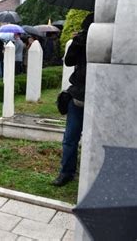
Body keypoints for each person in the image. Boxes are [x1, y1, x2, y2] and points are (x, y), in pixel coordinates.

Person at [52, 13, 93, 187]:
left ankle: (93, 173)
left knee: (96, 140)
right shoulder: (81, 41)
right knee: (70, 138)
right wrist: (78, 42)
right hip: (78, 95)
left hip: (100, 95)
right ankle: (67, 172)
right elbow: (69, 61)